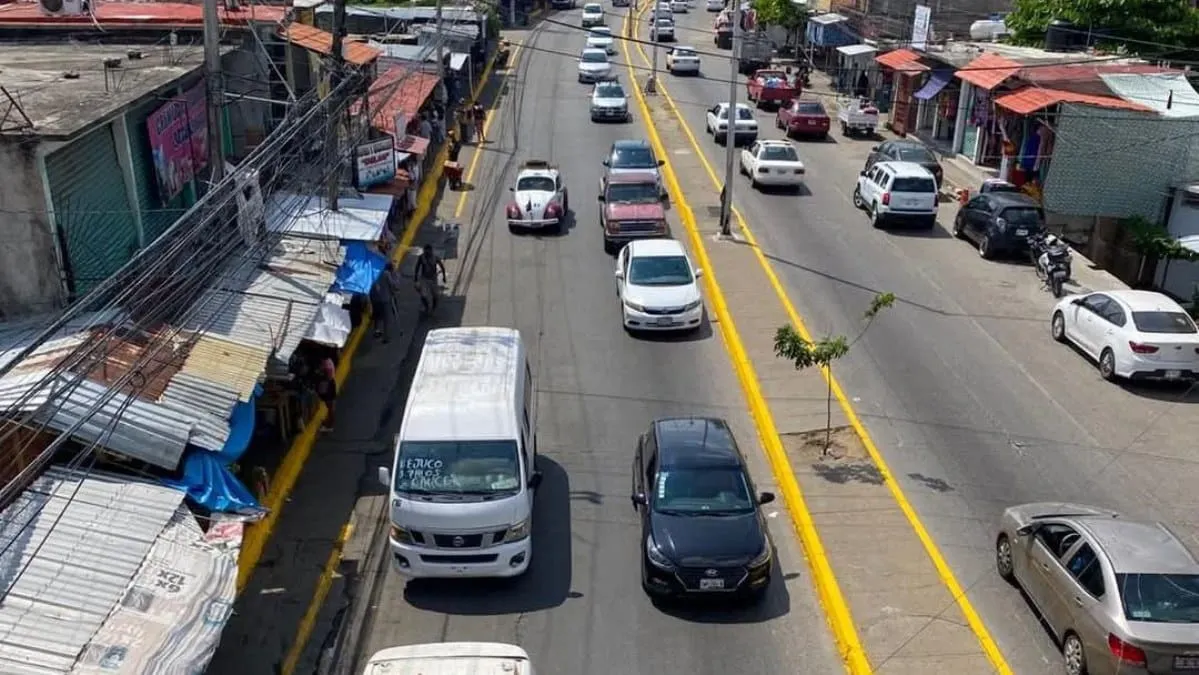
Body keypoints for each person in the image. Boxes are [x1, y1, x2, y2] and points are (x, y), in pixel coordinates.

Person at [413, 244, 447, 315]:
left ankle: (433, 309)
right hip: (424, 279)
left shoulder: (435, 258)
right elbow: (417, 267)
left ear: (431, 251)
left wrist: (444, 277)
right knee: (423, 295)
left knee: (436, 296)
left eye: (429, 252)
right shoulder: (421, 258)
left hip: (433, 279)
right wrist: (416, 279)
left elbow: (442, 266)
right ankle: (427, 307)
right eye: (426, 252)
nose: (427, 253)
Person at [369, 264, 393, 342]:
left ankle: (377, 330)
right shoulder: (386, 274)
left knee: (377, 315)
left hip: (375, 298)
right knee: (386, 318)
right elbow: (392, 284)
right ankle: (386, 337)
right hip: (385, 299)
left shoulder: (372, 272)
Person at [315, 356, 337, 432]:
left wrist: (320, 373)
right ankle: (328, 422)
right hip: (331, 385)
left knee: (330, 407)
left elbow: (326, 377)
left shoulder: (326, 365)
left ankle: (329, 425)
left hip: (328, 387)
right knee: (330, 407)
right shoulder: (329, 361)